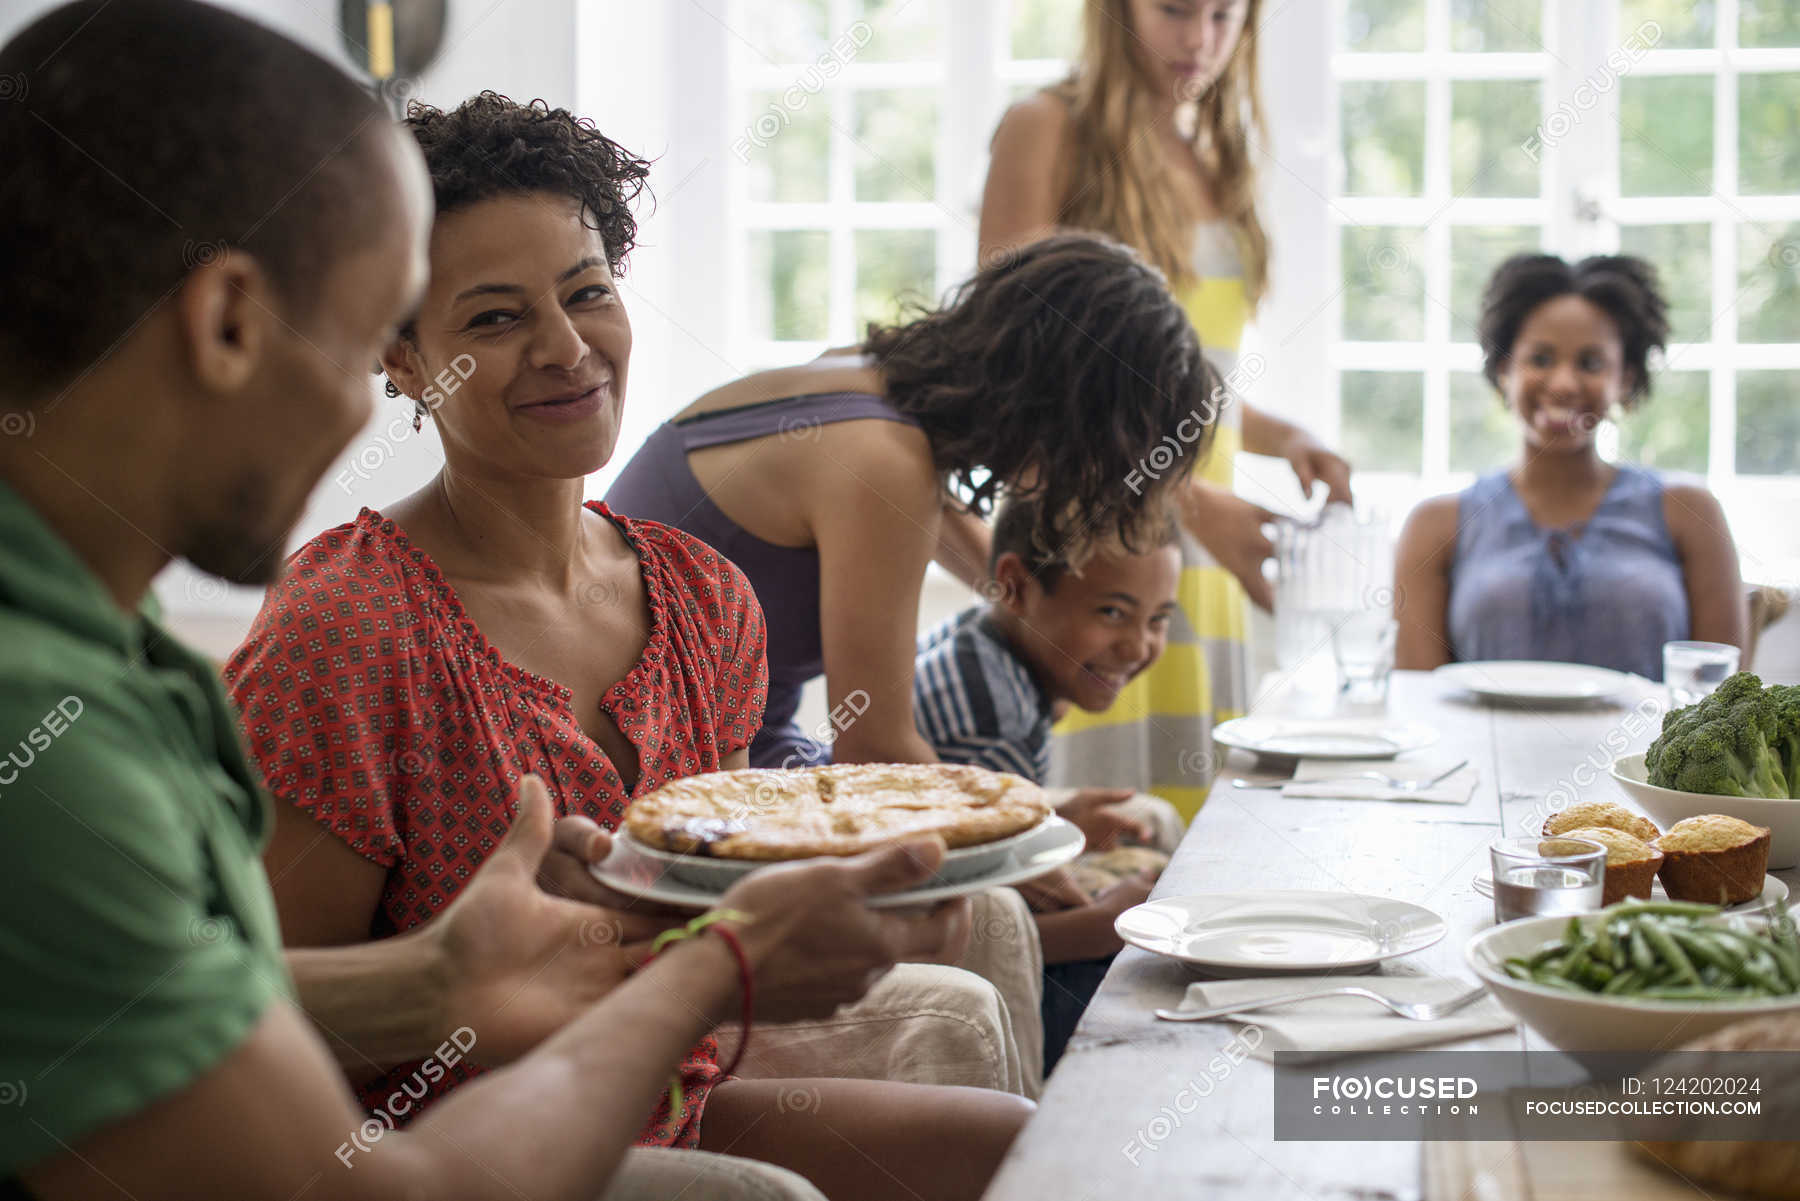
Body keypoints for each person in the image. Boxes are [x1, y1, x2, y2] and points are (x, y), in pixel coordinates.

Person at [0, 7, 1023, 1200]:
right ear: (232, 322)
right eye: (358, 341)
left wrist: (440, 977)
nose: (561, 351)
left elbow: (207, 993)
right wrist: (708, 968)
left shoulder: (108, 656)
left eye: (584, 294)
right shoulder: (71, 735)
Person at [606, 232, 1212, 771]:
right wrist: (1044, 832)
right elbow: (876, 753)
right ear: (1076, 416)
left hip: (707, 748)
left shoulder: (865, 377)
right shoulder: (886, 464)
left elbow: (995, 581)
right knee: (1009, 896)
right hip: (671, 769)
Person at [978, 0, 1356, 816]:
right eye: (1176, 9)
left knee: (1189, 850)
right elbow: (1011, 366)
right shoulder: (1045, 128)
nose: (1201, 41)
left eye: (1225, 15)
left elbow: (1180, 381)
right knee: (1084, 845)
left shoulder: (1219, 154)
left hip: (1197, 551)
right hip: (1090, 545)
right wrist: (1182, 497)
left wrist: (1280, 434)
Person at [912, 493, 1187, 1071]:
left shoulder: (981, 643)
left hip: (957, 870)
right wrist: (1107, 924)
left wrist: (1059, 826)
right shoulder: (992, 718)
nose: (1139, 646)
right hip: (926, 927)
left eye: (1158, 619)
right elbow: (982, 925)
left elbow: (985, 836)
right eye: (1112, 612)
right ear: (1014, 585)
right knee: (1121, 977)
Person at [1394, 254, 1746, 679]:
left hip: (1644, 749)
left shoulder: (1689, 513)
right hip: (1477, 748)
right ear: (1505, 370)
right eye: (1540, 359)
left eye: (1590, 363)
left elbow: (1722, 700)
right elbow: (1418, 700)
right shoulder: (1435, 525)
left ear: (1626, 379)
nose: (1563, 383)